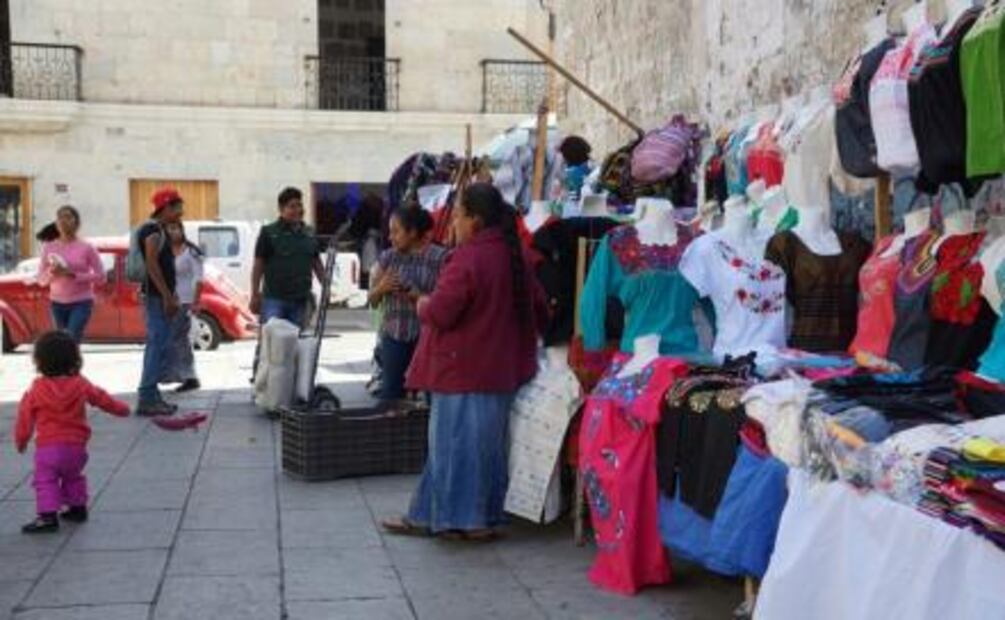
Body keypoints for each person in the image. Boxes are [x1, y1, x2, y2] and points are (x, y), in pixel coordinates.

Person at [382, 183, 547, 541]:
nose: (453, 221)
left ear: (474, 219)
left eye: (457, 214)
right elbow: (539, 308)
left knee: (454, 449)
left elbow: (441, 313)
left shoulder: (469, 258)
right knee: (482, 448)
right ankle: (431, 514)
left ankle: (465, 521)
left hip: (461, 369)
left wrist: (422, 303)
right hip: (499, 369)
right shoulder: (513, 253)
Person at [15, 330, 131, 533]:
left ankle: (47, 516)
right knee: (73, 476)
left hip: (48, 448)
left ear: (40, 361)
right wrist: (123, 409)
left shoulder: (36, 388)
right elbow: (102, 399)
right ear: (75, 358)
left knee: (45, 480)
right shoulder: (80, 383)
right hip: (76, 447)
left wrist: (21, 440)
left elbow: (25, 417)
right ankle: (77, 508)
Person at [368, 207, 447, 406]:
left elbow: (447, 300)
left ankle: (425, 435)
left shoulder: (440, 258)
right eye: (390, 231)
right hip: (395, 336)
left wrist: (417, 296)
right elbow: (373, 301)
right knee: (390, 395)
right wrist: (381, 288)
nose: (390, 237)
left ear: (412, 232)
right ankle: (392, 435)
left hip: (429, 337)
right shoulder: (388, 257)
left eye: (396, 231)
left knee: (432, 395)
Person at [250, 187, 326, 378]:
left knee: (294, 345)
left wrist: (326, 287)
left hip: (300, 300)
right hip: (274, 300)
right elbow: (258, 265)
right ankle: (260, 382)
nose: (298, 210)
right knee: (269, 344)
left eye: (300, 205)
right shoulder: (269, 233)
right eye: (292, 206)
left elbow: (316, 263)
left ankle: (287, 385)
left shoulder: (309, 233)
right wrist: (254, 294)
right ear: (282, 210)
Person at [136, 188, 185, 417]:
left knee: (158, 344)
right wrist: (166, 296)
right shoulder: (152, 231)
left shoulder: (160, 230)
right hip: (156, 298)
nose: (180, 212)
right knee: (156, 345)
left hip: (159, 296)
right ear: (165, 208)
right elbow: (152, 265)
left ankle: (152, 396)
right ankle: (147, 396)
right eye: (176, 207)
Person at [35, 206, 106, 343]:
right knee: (61, 343)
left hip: (81, 302)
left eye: (68, 217)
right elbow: (41, 280)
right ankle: (65, 364)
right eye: (60, 217)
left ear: (76, 222)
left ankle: (71, 363)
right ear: (56, 223)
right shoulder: (49, 247)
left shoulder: (87, 247)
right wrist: (51, 272)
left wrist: (72, 274)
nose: (63, 221)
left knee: (72, 339)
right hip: (57, 303)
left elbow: (101, 276)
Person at [160, 221, 203, 393]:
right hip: (170, 301)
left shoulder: (191, 252)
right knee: (175, 339)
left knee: (179, 339)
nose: (173, 232)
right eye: (169, 228)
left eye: (176, 228)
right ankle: (180, 375)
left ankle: (189, 376)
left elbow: (199, 278)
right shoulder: (164, 252)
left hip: (186, 301)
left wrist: (196, 301)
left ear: (182, 230)